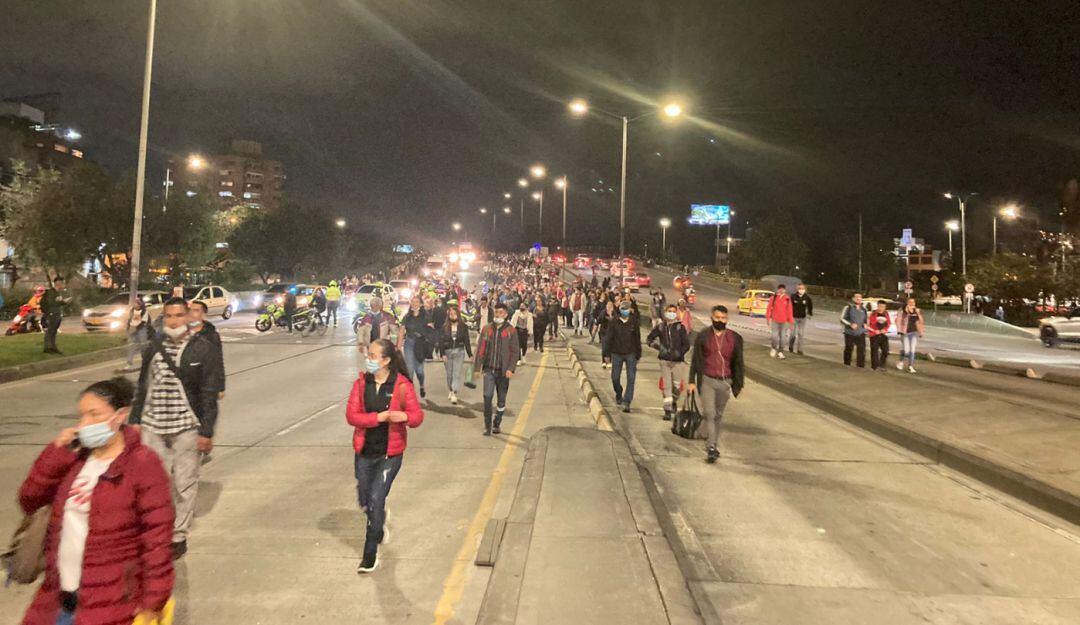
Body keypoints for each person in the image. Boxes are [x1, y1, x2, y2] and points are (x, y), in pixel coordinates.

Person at [18, 377, 174, 625]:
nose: (85, 424)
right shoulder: (74, 459)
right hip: (58, 599)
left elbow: (156, 540)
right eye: (82, 416)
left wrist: (153, 600)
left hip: (112, 603)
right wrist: (56, 453)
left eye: (94, 415)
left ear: (120, 415)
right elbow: (29, 500)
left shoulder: (142, 464)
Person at [128, 297, 223, 560]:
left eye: (179, 315)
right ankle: (153, 531)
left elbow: (209, 393)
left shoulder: (203, 349)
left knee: (184, 483)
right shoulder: (153, 348)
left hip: (186, 427)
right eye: (169, 316)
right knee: (151, 484)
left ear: (188, 318)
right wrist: (135, 420)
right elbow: (143, 386)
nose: (174, 321)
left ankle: (178, 535)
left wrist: (206, 431)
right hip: (153, 425)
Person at [346, 339, 424, 574]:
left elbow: (417, 416)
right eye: (367, 354)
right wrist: (377, 418)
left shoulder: (401, 386)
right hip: (364, 452)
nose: (368, 359)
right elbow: (352, 416)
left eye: (372, 355)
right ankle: (378, 524)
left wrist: (405, 417)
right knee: (365, 500)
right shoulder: (361, 384)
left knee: (376, 498)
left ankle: (369, 554)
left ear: (386, 360)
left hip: (390, 454)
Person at [688, 305, 745, 464]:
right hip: (707, 380)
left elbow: (739, 363)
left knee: (718, 415)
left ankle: (710, 439)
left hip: (725, 381)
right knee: (710, 413)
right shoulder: (703, 336)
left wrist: (738, 384)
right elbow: (696, 360)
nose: (720, 320)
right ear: (712, 317)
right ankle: (711, 447)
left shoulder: (735, 338)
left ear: (727, 319)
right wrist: (692, 380)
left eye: (723, 318)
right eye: (717, 317)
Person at [474, 303, 519, 435]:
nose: (497, 314)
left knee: (501, 400)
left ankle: (497, 422)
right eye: (496, 312)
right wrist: (477, 368)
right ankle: (487, 426)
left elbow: (515, 351)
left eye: (500, 312)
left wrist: (511, 368)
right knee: (487, 397)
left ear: (505, 314)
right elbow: (481, 349)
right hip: (489, 370)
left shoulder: (511, 331)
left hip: (504, 372)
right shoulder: (487, 329)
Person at [647, 304, 690, 421]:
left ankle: (674, 402)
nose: (671, 313)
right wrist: (658, 347)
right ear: (665, 313)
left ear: (676, 314)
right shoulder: (661, 327)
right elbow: (649, 339)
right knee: (667, 386)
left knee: (676, 386)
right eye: (669, 311)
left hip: (678, 362)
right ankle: (667, 409)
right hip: (664, 361)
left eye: (673, 311)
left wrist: (679, 353)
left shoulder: (680, 328)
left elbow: (687, 345)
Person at [604, 301, 641, 413]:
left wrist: (638, 354)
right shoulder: (614, 322)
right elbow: (608, 338)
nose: (624, 310)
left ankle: (627, 401)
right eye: (622, 308)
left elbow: (637, 338)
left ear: (630, 309)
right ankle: (619, 392)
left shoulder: (634, 322)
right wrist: (606, 354)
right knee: (615, 377)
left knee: (631, 378)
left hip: (631, 353)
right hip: (616, 353)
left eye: (626, 308)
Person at [188, 300, 226, 394]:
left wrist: (220, 387)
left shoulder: (211, 335)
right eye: (190, 310)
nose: (191, 313)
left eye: (196, 310)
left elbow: (217, 360)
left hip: (206, 384)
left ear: (203, 314)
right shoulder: (182, 332)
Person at [398, 296, 432, 398]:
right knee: (409, 369)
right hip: (409, 343)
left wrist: (429, 344)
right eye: (412, 302)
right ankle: (410, 394)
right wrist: (398, 347)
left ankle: (421, 385)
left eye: (417, 302)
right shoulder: (407, 316)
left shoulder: (426, 316)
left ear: (421, 304)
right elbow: (401, 332)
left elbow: (431, 331)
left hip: (420, 345)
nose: (414, 304)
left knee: (419, 371)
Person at [439, 306, 472, 404]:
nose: (453, 316)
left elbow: (467, 341)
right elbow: (441, 341)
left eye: (454, 314)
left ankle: (454, 393)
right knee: (449, 374)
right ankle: (450, 389)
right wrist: (442, 354)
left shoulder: (463, 327)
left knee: (456, 374)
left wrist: (470, 354)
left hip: (459, 352)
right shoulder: (444, 327)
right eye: (451, 314)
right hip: (448, 352)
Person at [41, 276, 70, 354]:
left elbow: (57, 303)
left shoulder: (57, 293)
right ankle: (47, 348)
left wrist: (63, 303)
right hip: (52, 314)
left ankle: (53, 347)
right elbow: (51, 303)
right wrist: (63, 302)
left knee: (54, 331)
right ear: (58, 283)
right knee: (50, 331)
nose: (64, 285)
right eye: (63, 283)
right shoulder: (51, 293)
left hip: (57, 314)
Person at [122, 297, 152, 373]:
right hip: (133, 330)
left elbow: (144, 322)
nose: (134, 304)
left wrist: (136, 327)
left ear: (140, 304)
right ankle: (129, 363)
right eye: (134, 302)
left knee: (143, 346)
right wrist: (128, 328)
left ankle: (145, 362)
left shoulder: (144, 311)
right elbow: (130, 320)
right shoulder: (132, 311)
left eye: (137, 302)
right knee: (131, 346)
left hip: (142, 329)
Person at [765, 284, 794, 359]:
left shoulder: (787, 298)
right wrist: (768, 318)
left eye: (783, 289)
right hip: (775, 321)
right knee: (774, 336)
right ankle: (773, 348)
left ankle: (781, 351)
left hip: (784, 322)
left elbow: (790, 311)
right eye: (780, 289)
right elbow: (768, 308)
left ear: (785, 290)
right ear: (778, 290)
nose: (781, 290)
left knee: (783, 337)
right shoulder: (773, 297)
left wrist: (791, 322)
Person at [896, 298, 925, 374]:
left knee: (912, 350)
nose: (912, 303)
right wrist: (899, 330)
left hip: (914, 333)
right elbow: (898, 320)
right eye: (910, 302)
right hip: (905, 332)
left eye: (913, 302)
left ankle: (910, 366)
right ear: (907, 303)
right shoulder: (903, 310)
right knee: (906, 350)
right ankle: (901, 361)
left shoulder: (917, 311)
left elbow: (921, 322)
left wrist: (921, 332)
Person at [840, 293, 869, 368]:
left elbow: (866, 321)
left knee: (862, 350)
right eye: (857, 297)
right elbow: (842, 319)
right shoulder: (848, 307)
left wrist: (866, 325)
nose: (859, 299)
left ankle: (860, 366)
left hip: (860, 333)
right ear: (853, 299)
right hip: (850, 333)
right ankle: (847, 364)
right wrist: (850, 324)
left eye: (860, 297)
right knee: (849, 348)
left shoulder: (864, 309)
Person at [867, 300, 892, 370]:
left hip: (883, 335)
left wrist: (885, 329)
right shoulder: (872, 314)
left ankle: (882, 365)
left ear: (885, 307)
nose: (881, 308)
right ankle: (874, 366)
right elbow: (867, 325)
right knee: (874, 350)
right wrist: (874, 331)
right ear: (877, 306)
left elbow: (889, 323)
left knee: (885, 350)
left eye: (883, 307)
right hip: (874, 335)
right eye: (880, 306)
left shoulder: (886, 313)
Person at [789, 283, 813, 355]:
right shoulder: (793, 297)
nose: (801, 290)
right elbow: (789, 306)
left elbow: (810, 306)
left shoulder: (807, 297)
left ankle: (800, 350)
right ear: (797, 289)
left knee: (801, 334)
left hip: (802, 318)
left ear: (805, 289)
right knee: (793, 334)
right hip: (794, 317)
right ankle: (791, 346)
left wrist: (810, 313)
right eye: (800, 289)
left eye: (803, 289)